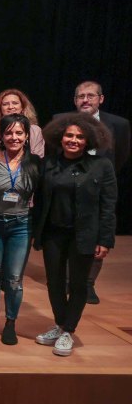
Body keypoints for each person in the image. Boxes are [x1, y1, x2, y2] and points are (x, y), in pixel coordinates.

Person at [32, 113, 116, 357]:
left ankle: (69, 330)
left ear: (88, 140)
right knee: (54, 282)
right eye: (69, 135)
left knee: (78, 284)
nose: (73, 140)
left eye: (79, 137)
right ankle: (60, 324)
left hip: (85, 235)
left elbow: (108, 205)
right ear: (61, 137)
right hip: (53, 234)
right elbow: (39, 201)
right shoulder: (48, 163)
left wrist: (105, 239)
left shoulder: (101, 165)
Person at [0, 114, 41, 345]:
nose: (13, 137)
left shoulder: (35, 162)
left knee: (14, 278)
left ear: (26, 136)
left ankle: (10, 323)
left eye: (19, 133)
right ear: (1, 136)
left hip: (21, 225)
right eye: (8, 133)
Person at [69, 80, 129, 305]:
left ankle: (88, 283)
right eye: (81, 96)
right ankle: (69, 279)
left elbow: (120, 156)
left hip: (100, 189)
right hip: (69, 186)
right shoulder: (62, 120)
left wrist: (101, 176)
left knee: (97, 235)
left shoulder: (119, 124)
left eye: (90, 96)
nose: (85, 100)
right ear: (75, 100)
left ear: (100, 99)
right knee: (68, 232)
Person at [0, 89, 45, 157]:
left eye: (15, 103)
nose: (11, 107)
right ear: (0, 108)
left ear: (22, 107)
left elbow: (38, 156)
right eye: (5, 104)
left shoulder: (35, 130)